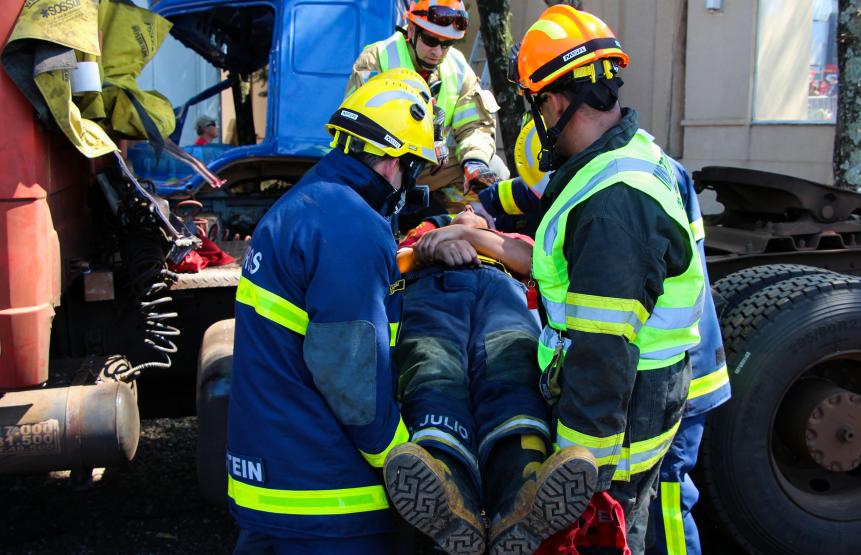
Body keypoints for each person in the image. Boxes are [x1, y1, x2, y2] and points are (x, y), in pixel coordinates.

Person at [513, 6, 706, 554]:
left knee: (609, 532)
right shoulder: (632, 157)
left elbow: (601, 355)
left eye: (536, 106)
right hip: (645, 391)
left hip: (617, 414)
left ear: (553, 100)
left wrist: (580, 480)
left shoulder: (611, 203)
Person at [225, 69, 437, 554]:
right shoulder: (351, 227)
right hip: (327, 502)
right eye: (412, 167)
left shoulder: (305, 205)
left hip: (277, 484)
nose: (410, 182)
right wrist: (402, 461)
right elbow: (353, 377)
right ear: (389, 161)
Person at [384, 206, 598, 555]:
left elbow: (532, 262)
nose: (467, 208)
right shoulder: (420, 237)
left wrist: (469, 236)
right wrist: (428, 249)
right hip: (429, 289)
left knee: (512, 367)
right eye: (457, 212)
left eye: (474, 210)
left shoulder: (511, 239)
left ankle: (521, 486)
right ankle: (446, 481)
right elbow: (388, 265)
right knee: (433, 365)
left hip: (503, 292)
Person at [346, 0, 508, 217]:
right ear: (411, 30)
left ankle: (454, 232)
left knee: (494, 170)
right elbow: (356, 128)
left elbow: (474, 125)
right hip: (385, 164)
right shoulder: (378, 58)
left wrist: (475, 161)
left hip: (431, 170)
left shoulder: (458, 68)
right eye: (431, 40)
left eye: (447, 43)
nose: (438, 52)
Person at [644, 160, 731, 555]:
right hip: (688, 364)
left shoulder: (625, 177)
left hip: (681, 372)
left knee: (668, 498)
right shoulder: (659, 163)